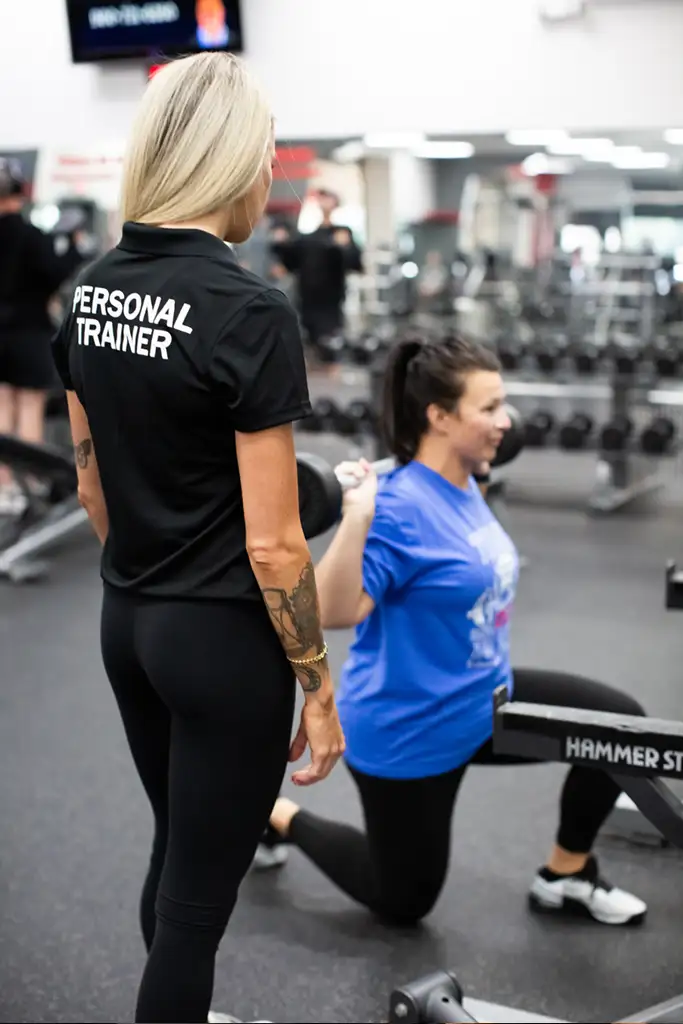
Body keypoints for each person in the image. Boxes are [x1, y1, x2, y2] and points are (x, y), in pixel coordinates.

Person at [50, 53, 344, 1024]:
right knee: (193, 914)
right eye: (265, 155)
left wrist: (148, 564)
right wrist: (316, 684)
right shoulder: (248, 310)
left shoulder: (91, 290)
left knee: (175, 846)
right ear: (228, 162)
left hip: (128, 621)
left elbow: (90, 480)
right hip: (220, 642)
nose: (267, 175)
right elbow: (275, 544)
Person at [258, 334, 648, 930]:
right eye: (489, 408)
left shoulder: (466, 479)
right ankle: (278, 815)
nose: (506, 421)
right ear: (439, 417)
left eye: (503, 404)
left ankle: (565, 875)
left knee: (616, 732)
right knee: (403, 902)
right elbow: (333, 612)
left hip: (484, 701)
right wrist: (357, 517)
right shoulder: (397, 509)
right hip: (411, 727)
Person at [0, 158, 86, 514]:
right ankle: (29, 486)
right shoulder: (33, 236)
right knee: (30, 406)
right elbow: (56, 273)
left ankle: (3, 485)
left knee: (2, 405)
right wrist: (74, 245)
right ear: (22, 192)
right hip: (29, 332)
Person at [271, 190, 363, 352]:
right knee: (310, 340)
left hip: (332, 300)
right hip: (307, 299)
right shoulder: (306, 237)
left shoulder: (342, 233)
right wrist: (280, 244)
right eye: (321, 199)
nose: (323, 203)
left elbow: (355, 263)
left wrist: (343, 246)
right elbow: (290, 261)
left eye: (327, 199)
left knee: (330, 342)